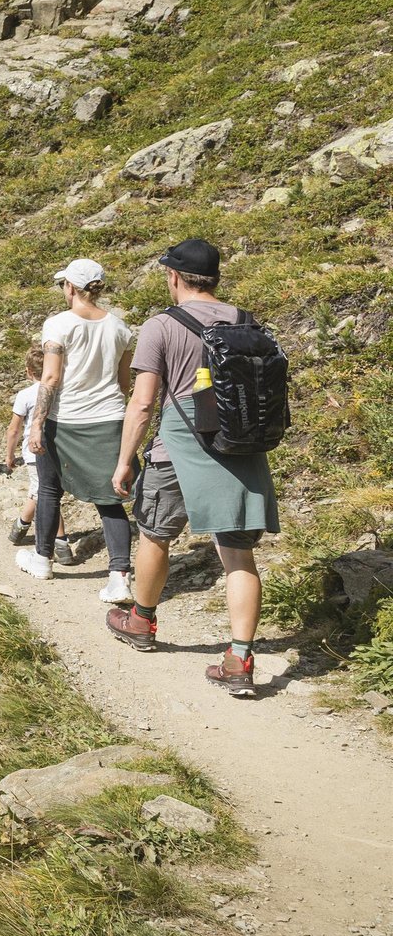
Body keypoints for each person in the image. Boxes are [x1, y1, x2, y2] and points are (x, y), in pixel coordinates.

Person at [105, 239, 280, 698]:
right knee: (239, 555)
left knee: (155, 533)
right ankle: (239, 658)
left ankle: (141, 620)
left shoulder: (161, 326)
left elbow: (142, 403)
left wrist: (125, 461)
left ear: (174, 277)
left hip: (179, 446)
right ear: (215, 279)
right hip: (239, 446)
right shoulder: (245, 320)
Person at [15, 257, 136, 601]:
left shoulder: (58, 324)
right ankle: (119, 576)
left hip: (65, 419)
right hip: (109, 417)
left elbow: (50, 377)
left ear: (70, 286)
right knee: (109, 498)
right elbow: (123, 381)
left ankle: (42, 558)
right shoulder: (121, 327)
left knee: (50, 488)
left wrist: (36, 422)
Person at [4, 344, 72, 562]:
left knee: (44, 493)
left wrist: (9, 454)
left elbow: (14, 428)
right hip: (59, 449)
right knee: (47, 492)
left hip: (34, 451)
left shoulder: (25, 395)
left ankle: (58, 542)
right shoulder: (62, 391)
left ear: (28, 371)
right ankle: (22, 526)